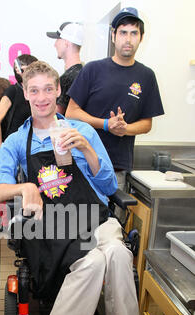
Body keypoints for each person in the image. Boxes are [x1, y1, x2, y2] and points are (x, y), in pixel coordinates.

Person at [0, 61, 168, 315]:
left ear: (58, 92)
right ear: (25, 94)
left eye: (48, 89)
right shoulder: (14, 141)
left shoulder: (83, 132)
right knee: (105, 256)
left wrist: (85, 147)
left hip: (92, 216)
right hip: (51, 224)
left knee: (115, 252)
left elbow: (109, 185)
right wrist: (24, 186)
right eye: (34, 90)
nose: (41, 98)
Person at [66, 7, 164, 192]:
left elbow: (146, 123)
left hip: (117, 168)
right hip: (82, 164)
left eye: (134, 33)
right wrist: (105, 124)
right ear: (113, 36)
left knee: (114, 221)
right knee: (80, 219)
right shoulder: (92, 70)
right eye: (123, 32)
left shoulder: (147, 76)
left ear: (141, 38)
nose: (128, 39)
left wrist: (125, 129)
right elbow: (71, 113)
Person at [0, 54, 38, 151]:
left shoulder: (37, 92)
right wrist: (0, 149)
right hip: (14, 147)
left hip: (33, 145)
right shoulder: (13, 90)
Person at [46, 22, 84, 115]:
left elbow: (56, 115)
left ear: (66, 42)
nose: (55, 44)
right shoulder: (83, 73)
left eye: (58, 39)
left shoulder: (68, 78)